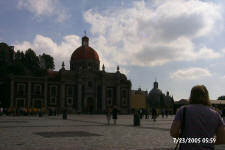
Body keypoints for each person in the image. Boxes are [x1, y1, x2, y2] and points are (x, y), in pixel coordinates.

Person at [170, 85, 225, 150]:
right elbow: (222, 139)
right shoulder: (215, 114)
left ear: (191, 95)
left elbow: (173, 132)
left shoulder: (183, 110)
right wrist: (206, 142)